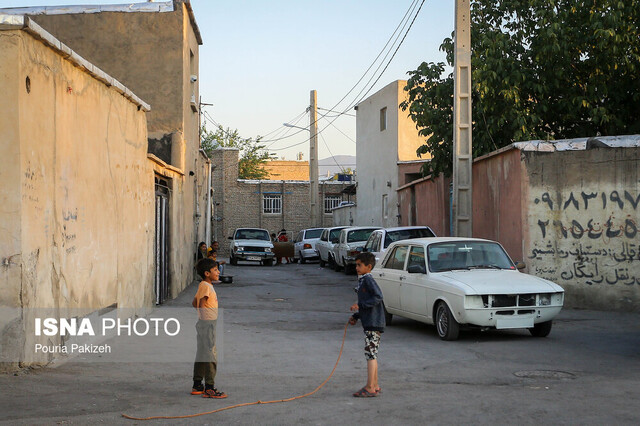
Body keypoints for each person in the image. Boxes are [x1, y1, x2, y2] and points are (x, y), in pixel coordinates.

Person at [349, 252, 385, 397]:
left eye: (359, 265)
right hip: (370, 322)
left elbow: (378, 297)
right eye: (356, 265)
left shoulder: (368, 280)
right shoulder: (363, 280)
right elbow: (365, 303)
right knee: (372, 354)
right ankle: (374, 385)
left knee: (370, 355)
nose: (357, 268)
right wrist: (356, 316)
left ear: (368, 267)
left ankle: (370, 387)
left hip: (373, 323)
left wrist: (360, 305)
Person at [191, 258, 227, 398]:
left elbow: (194, 302)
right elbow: (200, 303)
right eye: (215, 270)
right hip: (208, 324)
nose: (218, 272)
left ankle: (197, 384)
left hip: (203, 323)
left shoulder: (202, 285)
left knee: (201, 354)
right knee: (211, 355)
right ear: (207, 273)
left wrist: (201, 315)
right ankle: (210, 388)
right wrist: (206, 316)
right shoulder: (207, 286)